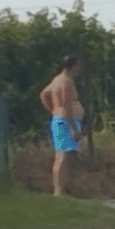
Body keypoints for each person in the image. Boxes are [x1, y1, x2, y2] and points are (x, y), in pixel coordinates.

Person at [38, 55, 84, 196]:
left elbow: (44, 94)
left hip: (61, 119)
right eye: (78, 65)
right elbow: (66, 104)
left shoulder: (57, 79)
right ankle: (58, 191)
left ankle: (64, 188)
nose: (79, 69)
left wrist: (53, 109)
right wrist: (72, 128)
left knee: (67, 156)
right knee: (62, 156)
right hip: (66, 122)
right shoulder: (66, 82)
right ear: (73, 66)